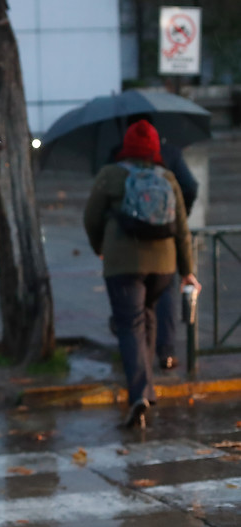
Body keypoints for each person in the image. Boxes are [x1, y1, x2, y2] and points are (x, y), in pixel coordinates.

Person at [85, 120, 201, 429]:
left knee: (130, 326)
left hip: (123, 265)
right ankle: (147, 389)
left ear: (127, 147)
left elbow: (91, 217)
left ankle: (139, 394)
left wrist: (100, 247)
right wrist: (187, 271)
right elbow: (182, 230)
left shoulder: (111, 175)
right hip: (163, 266)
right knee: (147, 317)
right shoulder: (168, 177)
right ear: (153, 149)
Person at [109, 113, 199, 370]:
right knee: (165, 295)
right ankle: (166, 352)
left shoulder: (117, 158)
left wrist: (101, 243)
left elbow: (97, 209)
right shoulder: (170, 156)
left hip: (126, 245)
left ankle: (139, 364)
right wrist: (175, 217)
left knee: (133, 310)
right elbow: (191, 187)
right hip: (164, 245)